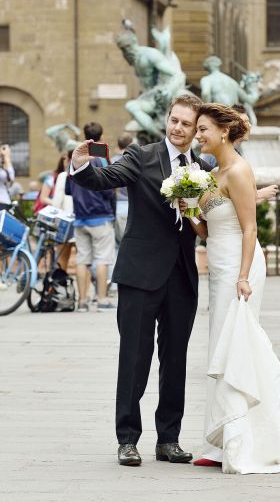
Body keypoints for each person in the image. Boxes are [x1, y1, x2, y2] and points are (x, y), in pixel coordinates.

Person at [68, 93, 208, 467]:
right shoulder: (142, 156)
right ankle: (127, 439)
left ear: (197, 129)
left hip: (181, 275)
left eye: (186, 123)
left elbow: (210, 219)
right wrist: (81, 165)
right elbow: (106, 177)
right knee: (134, 358)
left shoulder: (204, 165)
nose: (178, 128)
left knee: (175, 359)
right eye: (174, 120)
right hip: (139, 273)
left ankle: (169, 439)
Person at [183, 103, 280, 473]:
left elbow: (250, 229)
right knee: (220, 344)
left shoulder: (238, 169)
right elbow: (208, 229)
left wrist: (244, 275)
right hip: (218, 267)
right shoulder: (212, 173)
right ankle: (219, 442)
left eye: (203, 130)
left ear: (224, 132)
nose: (197, 135)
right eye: (197, 130)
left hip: (240, 267)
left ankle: (238, 443)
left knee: (235, 345)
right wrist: (187, 210)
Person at [69, 122, 117, 312]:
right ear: (101, 135)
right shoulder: (102, 158)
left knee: (82, 259)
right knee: (102, 259)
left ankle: (82, 301)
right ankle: (102, 299)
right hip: (100, 216)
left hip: (80, 217)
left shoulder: (75, 157)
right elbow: (109, 187)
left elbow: (68, 188)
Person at [113, 133, 134, 241]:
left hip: (117, 206)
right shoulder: (134, 161)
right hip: (132, 206)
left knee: (117, 245)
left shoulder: (111, 161)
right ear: (131, 144)